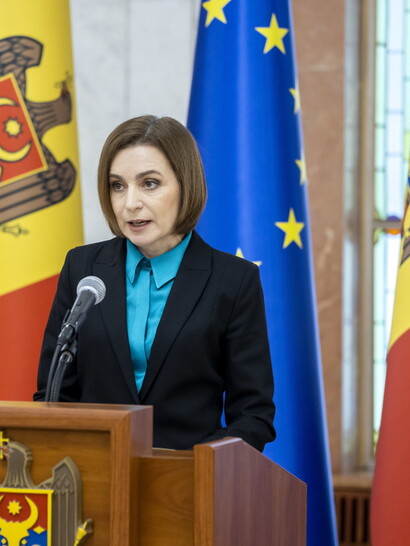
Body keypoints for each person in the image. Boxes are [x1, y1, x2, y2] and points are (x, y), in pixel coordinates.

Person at [35, 115, 275, 452]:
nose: (130, 203)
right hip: (90, 478)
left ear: (185, 185)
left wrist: (196, 469)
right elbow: (53, 393)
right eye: (118, 185)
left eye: (149, 183)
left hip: (187, 487)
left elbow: (253, 416)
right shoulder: (83, 268)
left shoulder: (233, 281)